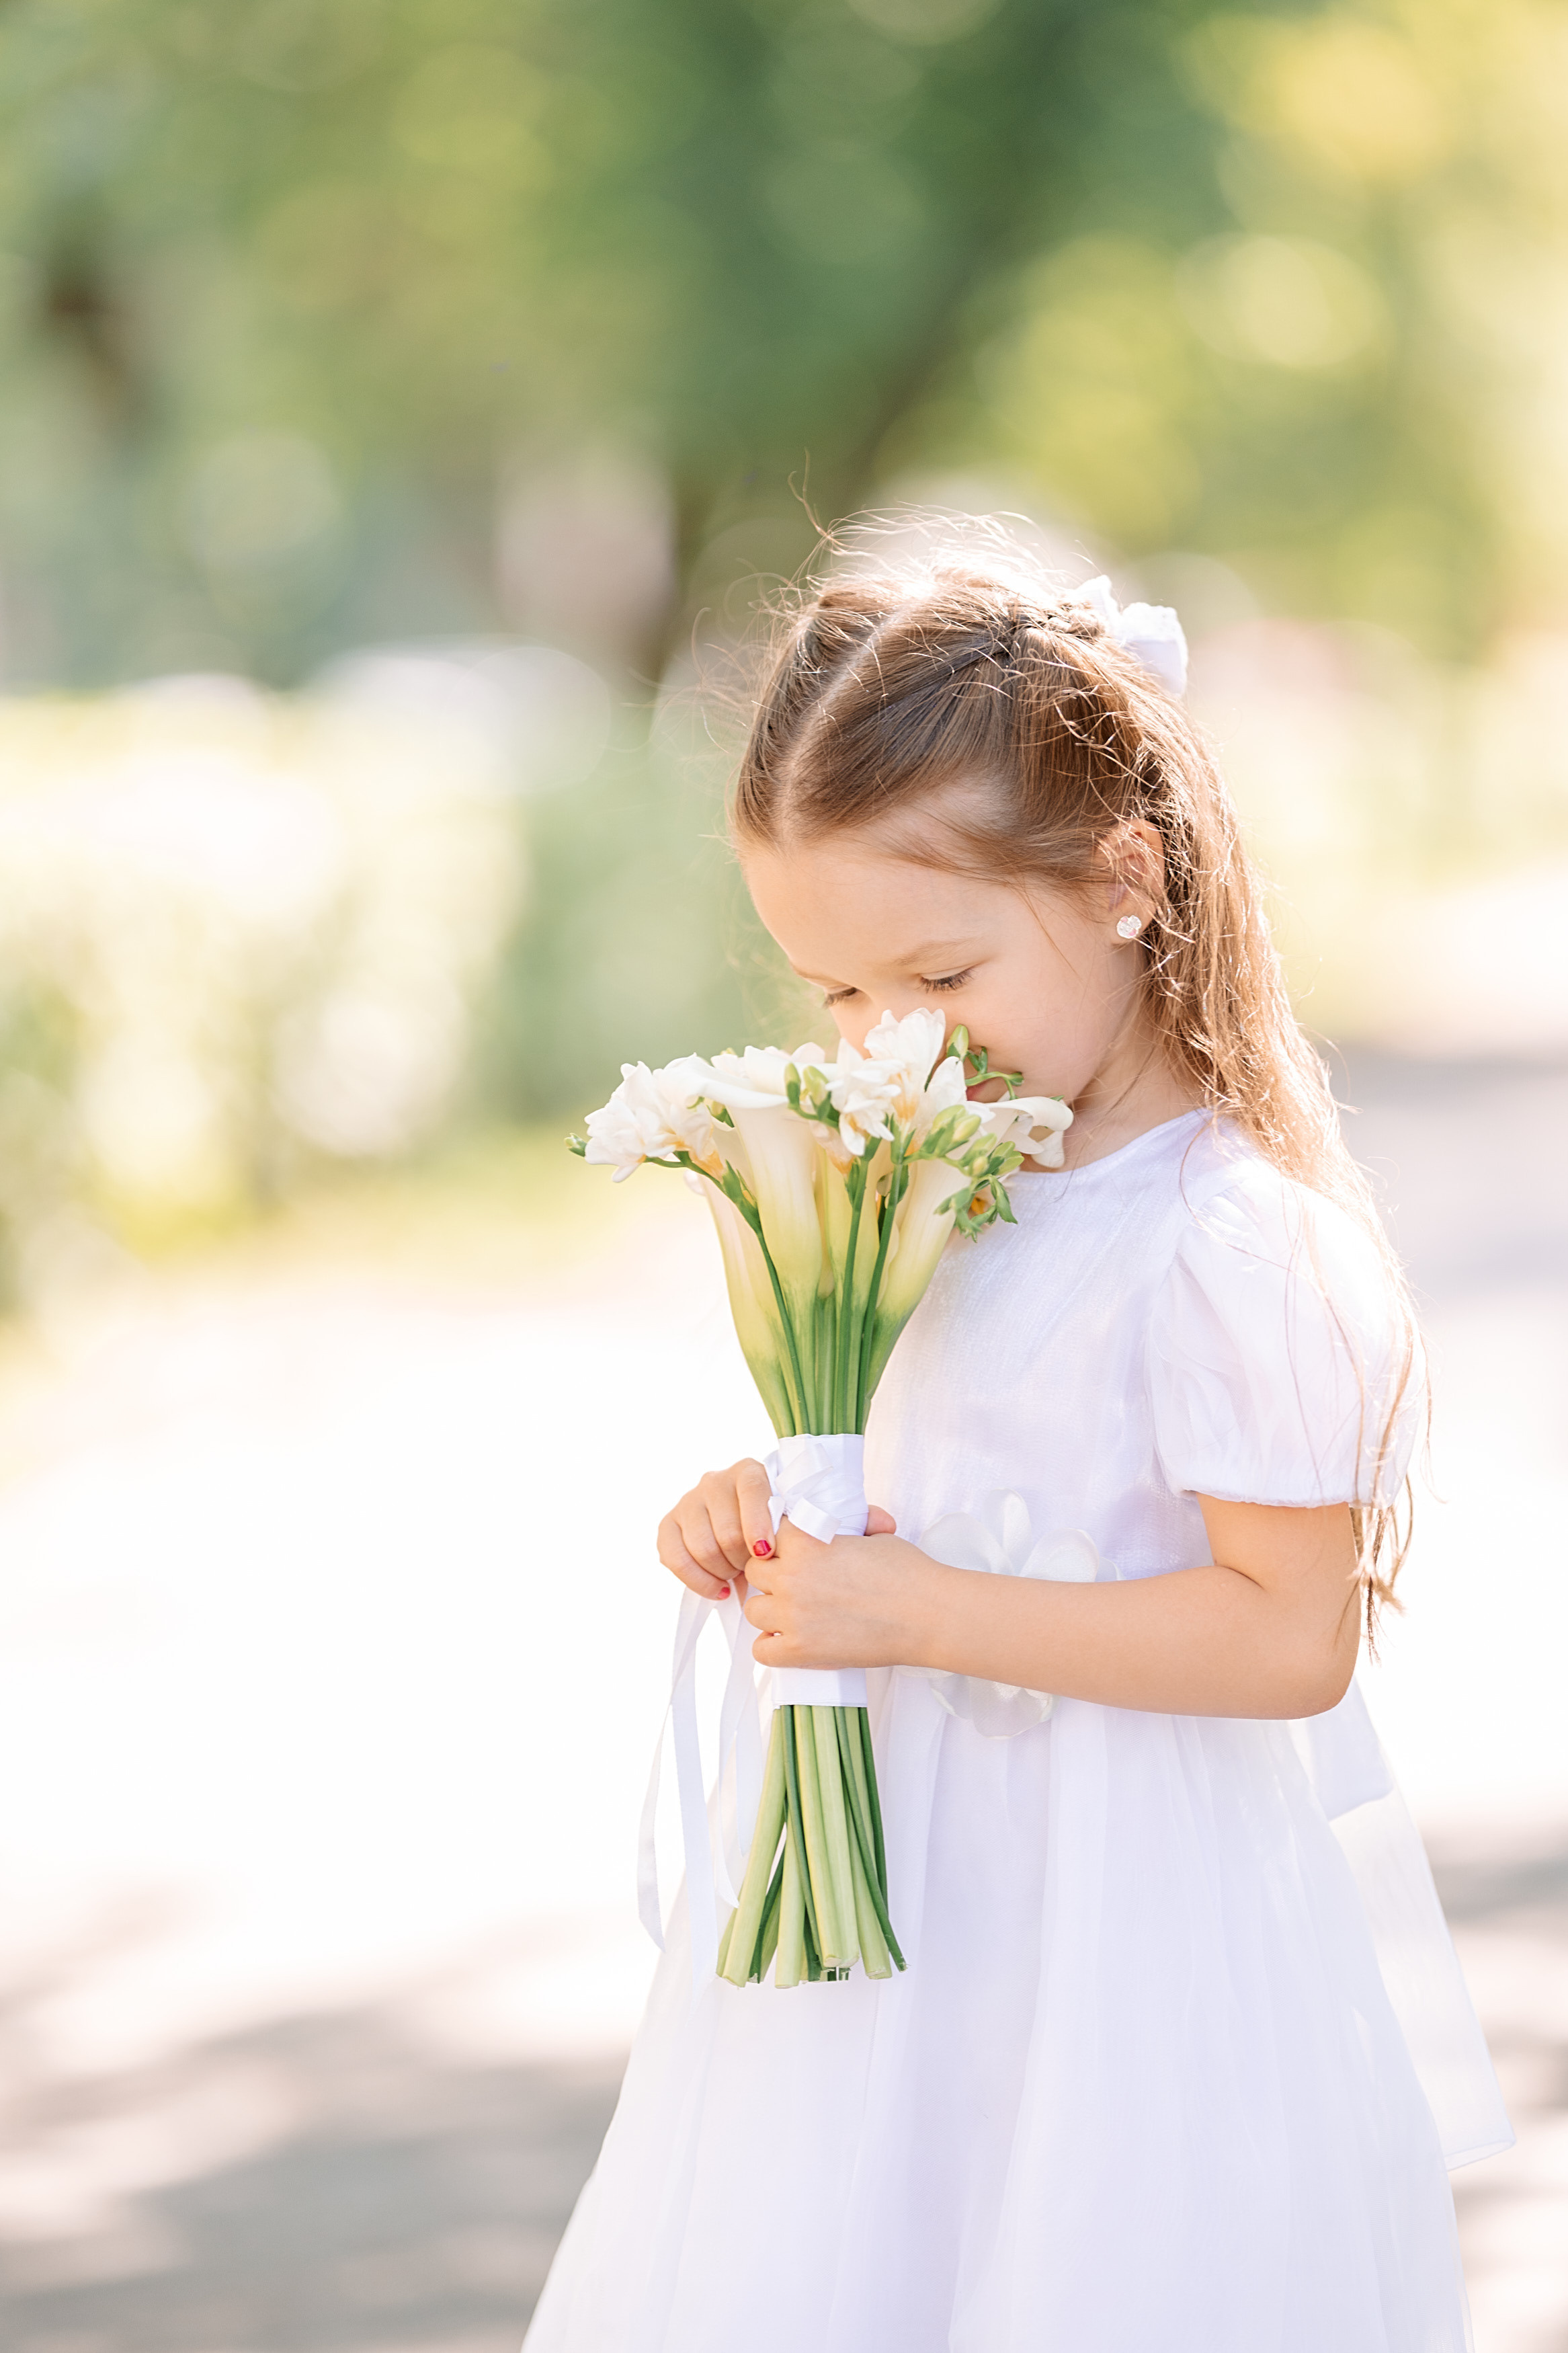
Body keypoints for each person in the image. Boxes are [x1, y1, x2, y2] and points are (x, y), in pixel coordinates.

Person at [524, 534, 1511, 2352]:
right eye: (834, 996)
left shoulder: (1231, 1239)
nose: (886, 1042)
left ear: (1126, 875)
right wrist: (790, 1518)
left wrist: (917, 1611)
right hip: (906, 1918)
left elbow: (1287, 1631)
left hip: (1125, 1931)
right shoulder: (940, 1194)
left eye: (941, 973)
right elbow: (944, 1490)